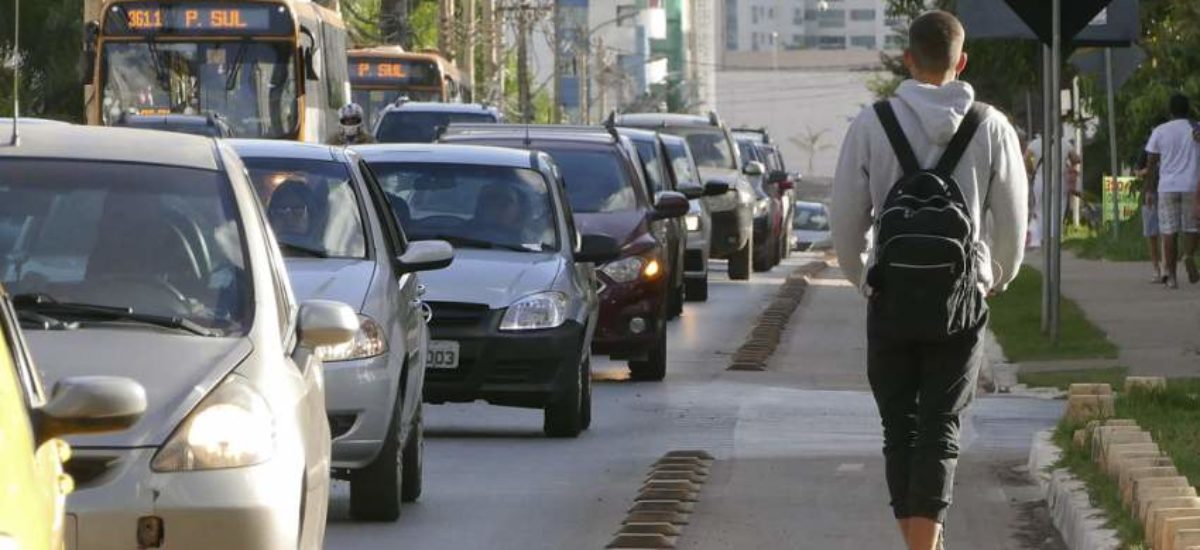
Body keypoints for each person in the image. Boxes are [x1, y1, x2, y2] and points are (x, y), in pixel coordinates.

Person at [830, 10, 1027, 550]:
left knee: (901, 429)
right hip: (959, 304)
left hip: (891, 299)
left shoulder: (872, 122)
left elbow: (845, 217)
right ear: (962, 62)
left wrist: (864, 278)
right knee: (941, 427)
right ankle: (926, 542)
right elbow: (1011, 221)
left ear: (907, 58)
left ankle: (919, 542)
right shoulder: (991, 125)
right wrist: (995, 277)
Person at [1144, 93, 1200, 288]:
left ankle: (1171, 276)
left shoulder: (1159, 131)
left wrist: (1148, 190)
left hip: (1167, 187)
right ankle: (1189, 255)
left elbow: (1151, 165)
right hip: (1192, 186)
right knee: (1193, 227)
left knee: (1169, 231)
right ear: (1188, 109)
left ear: (1170, 111)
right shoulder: (1196, 128)